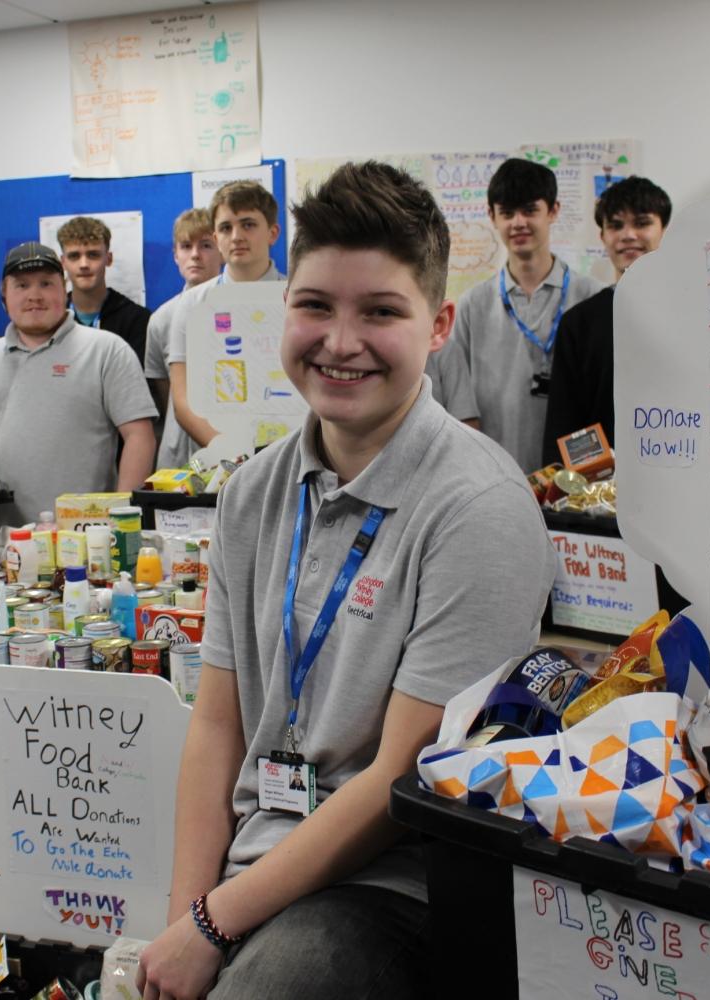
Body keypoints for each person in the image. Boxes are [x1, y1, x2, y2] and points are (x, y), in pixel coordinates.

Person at [137, 162, 554, 1000]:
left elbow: (399, 775)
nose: (340, 341)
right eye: (316, 306)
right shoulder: (253, 491)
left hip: (391, 885)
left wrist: (213, 925)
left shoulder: (480, 507)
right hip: (254, 861)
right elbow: (217, 725)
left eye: (381, 313)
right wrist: (188, 917)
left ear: (437, 326)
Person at [426, 158, 603, 471]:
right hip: (494, 477)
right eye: (507, 213)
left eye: (530, 210)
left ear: (554, 211)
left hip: (576, 488)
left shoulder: (590, 299)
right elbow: (457, 407)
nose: (518, 223)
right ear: (491, 216)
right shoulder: (471, 307)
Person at [0, 241, 157, 525]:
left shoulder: (107, 350)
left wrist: (124, 520)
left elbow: (139, 436)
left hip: (87, 538)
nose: (35, 295)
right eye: (22, 286)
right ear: (3, 295)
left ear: (65, 290)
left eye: (46, 284)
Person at [544, 177, 671, 460]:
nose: (627, 235)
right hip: (602, 492)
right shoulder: (579, 324)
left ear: (664, 230)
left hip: (681, 477)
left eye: (641, 223)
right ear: (602, 237)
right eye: (615, 225)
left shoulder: (694, 315)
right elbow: (565, 424)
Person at [166, 181, 284, 451]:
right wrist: (230, 451)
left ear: (273, 233)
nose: (237, 236)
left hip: (286, 453)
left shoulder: (298, 300)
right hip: (217, 456)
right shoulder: (191, 305)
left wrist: (275, 455)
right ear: (216, 238)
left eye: (248, 224)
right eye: (226, 228)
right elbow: (182, 400)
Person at [145, 208, 223, 469]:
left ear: (222, 249)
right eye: (186, 246)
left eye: (206, 245)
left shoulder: (247, 308)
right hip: (178, 457)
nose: (195, 255)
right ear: (175, 255)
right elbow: (167, 392)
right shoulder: (160, 320)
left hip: (239, 445)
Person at [57, 216, 152, 363]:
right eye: (74, 256)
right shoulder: (53, 319)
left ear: (108, 259)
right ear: (63, 262)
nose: (84, 264)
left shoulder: (137, 320)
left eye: (93, 255)